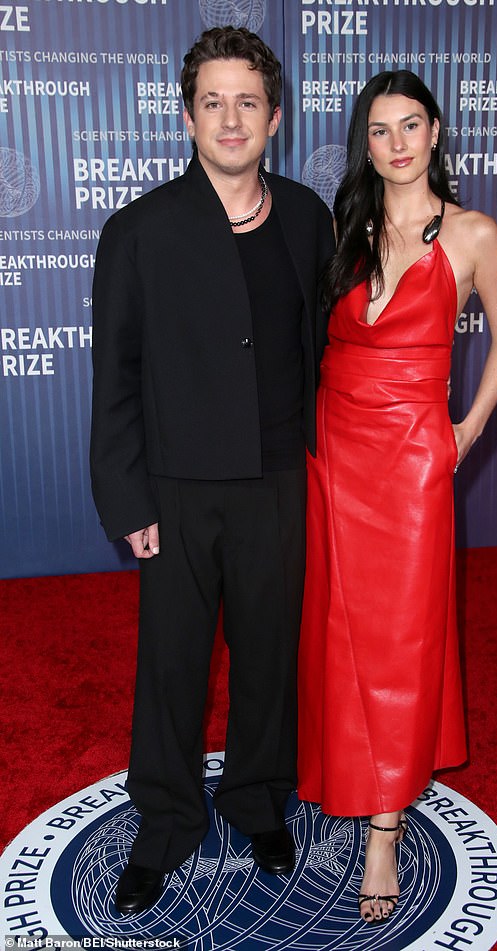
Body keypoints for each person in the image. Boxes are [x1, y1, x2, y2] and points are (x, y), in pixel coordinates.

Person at [90, 26, 334, 916]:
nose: (231, 119)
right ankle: (163, 824)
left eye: (248, 101)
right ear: (187, 114)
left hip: (278, 478)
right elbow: (114, 376)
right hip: (178, 491)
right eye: (213, 102)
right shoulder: (140, 230)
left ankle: (259, 798)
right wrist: (128, 496)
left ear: (275, 113)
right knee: (172, 665)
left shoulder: (309, 217)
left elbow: (329, 347)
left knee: (270, 656)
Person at [297, 70, 497, 925]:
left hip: (413, 457)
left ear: (435, 133)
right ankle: (347, 772)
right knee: (338, 624)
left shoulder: (471, 234)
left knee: (399, 634)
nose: (396, 143)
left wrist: (465, 431)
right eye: (380, 130)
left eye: (410, 126)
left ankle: (383, 829)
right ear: (367, 141)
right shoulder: (342, 229)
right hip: (335, 448)